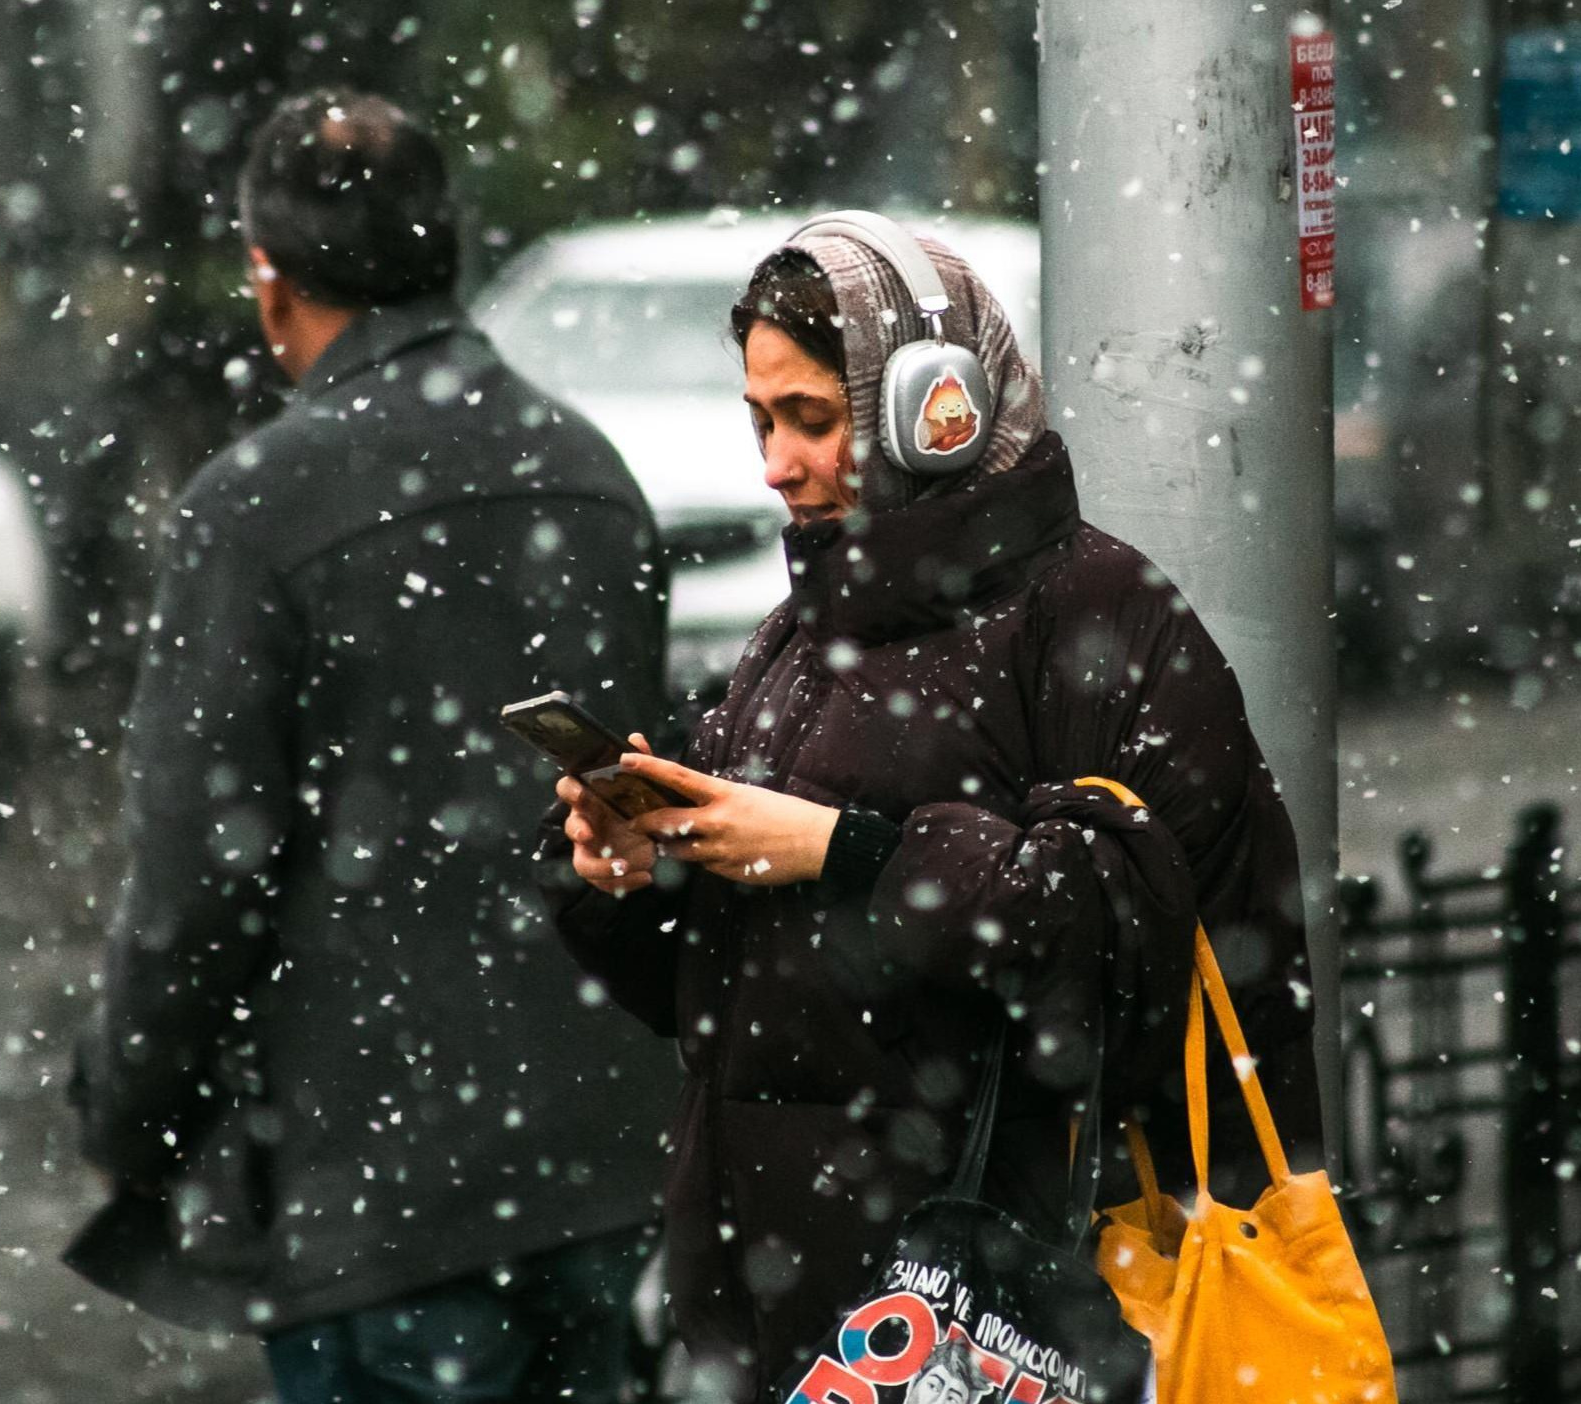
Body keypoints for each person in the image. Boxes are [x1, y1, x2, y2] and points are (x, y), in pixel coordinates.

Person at [539, 213, 1322, 1398]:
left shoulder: (1100, 619)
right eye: (759, 421)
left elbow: (1129, 934)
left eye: (811, 419)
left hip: (998, 1321)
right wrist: (630, 869)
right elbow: (726, 995)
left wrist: (848, 856)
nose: (775, 465)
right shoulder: (799, 634)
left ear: (935, 409)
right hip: (797, 1323)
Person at [67, 89, 676, 1404]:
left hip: (385, 1195)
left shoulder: (251, 510)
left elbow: (196, 875)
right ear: (445, 251)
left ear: (269, 281)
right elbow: (647, 814)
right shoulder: (591, 472)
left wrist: (130, 1112)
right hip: (605, 1172)